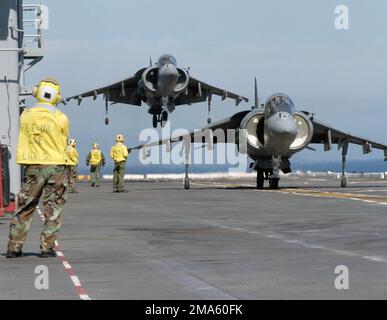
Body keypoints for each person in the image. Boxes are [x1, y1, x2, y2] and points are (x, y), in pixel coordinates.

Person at [6, 77, 69, 258]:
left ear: (37, 92)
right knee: (53, 208)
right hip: (55, 166)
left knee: (25, 207)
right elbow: (64, 139)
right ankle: (47, 248)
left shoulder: (26, 114)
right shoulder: (61, 118)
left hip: (33, 166)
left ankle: (13, 248)